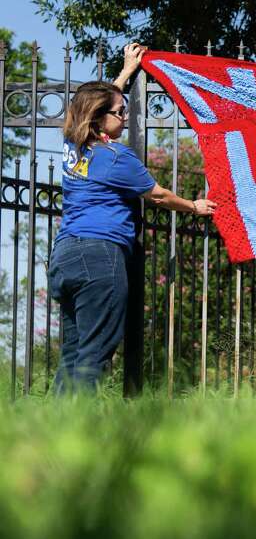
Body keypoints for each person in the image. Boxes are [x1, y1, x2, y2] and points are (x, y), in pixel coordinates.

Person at [50, 43, 217, 393]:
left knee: (73, 353)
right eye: (120, 113)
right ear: (100, 120)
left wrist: (126, 73)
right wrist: (193, 206)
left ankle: (55, 432)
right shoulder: (116, 158)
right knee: (94, 355)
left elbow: (99, 104)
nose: (125, 118)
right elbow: (157, 194)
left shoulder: (72, 145)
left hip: (65, 257)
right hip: (100, 258)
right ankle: (79, 434)